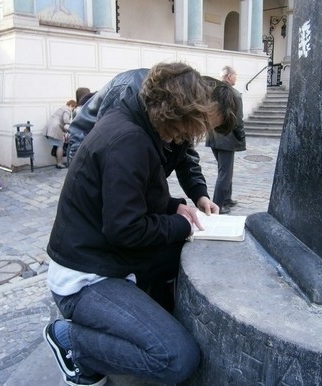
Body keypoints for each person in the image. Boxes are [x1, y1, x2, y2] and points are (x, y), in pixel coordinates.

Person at [43, 63, 223, 386]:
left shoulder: (135, 123)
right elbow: (125, 228)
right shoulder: (128, 141)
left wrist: (176, 208)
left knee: (177, 255)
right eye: (185, 129)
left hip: (102, 258)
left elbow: (133, 199)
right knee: (178, 358)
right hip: (84, 280)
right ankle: (73, 342)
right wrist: (181, 226)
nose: (184, 138)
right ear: (173, 115)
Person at [66, 68, 239, 216]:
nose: (199, 131)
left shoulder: (187, 114)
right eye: (204, 123)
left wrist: (200, 195)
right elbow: (107, 155)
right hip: (88, 163)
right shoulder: (131, 93)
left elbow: (184, 156)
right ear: (199, 101)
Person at [205, 65, 246, 214]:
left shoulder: (214, 91)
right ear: (229, 76)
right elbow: (238, 120)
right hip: (227, 139)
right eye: (235, 75)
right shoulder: (234, 93)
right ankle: (218, 204)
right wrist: (241, 136)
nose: (236, 78)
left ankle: (227, 198)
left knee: (224, 170)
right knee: (225, 173)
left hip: (213, 137)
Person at [44, 99, 76, 168]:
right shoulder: (67, 109)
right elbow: (65, 120)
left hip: (50, 128)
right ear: (71, 105)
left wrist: (64, 131)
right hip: (55, 128)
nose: (73, 110)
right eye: (73, 108)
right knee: (60, 145)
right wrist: (73, 123)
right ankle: (59, 163)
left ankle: (58, 163)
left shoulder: (61, 108)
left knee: (56, 145)